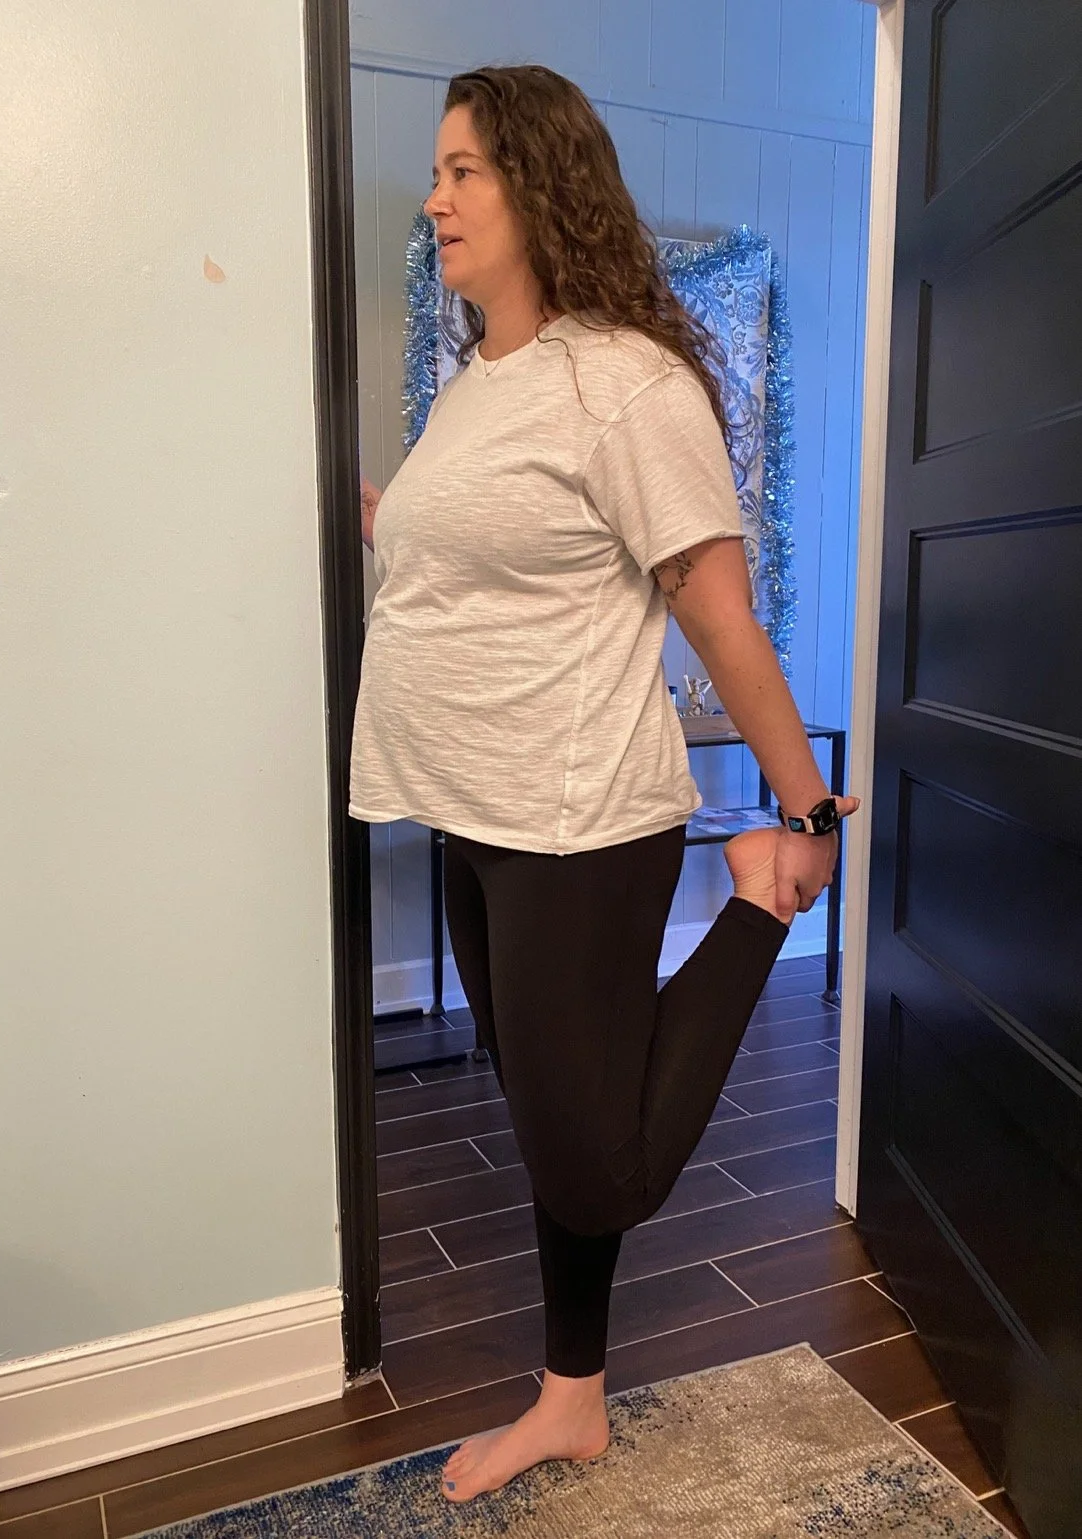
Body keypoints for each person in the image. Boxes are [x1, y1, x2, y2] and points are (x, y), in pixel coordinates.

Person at [352, 63, 859, 1505]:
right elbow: (475, 560)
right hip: (474, 807)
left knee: (603, 1171)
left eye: (464, 171)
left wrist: (803, 811)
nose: (437, 199)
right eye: (437, 172)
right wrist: (378, 522)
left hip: (577, 818)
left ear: (540, 184)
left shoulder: (626, 382)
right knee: (550, 1124)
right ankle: (572, 1401)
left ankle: (754, 902)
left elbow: (715, 607)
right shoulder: (480, 382)